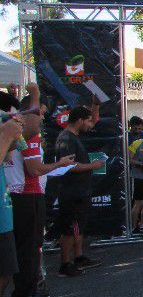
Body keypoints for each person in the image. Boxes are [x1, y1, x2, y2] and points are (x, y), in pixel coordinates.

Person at [6, 92, 74, 297]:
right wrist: (59, 164)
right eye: (41, 114)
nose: (43, 119)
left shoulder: (15, 134)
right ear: (29, 114)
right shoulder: (26, 135)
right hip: (27, 195)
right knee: (29, 248)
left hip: (22, 195)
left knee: (28, 247)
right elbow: (34, 169)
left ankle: (25, 294)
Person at [54, 105, 104, 277]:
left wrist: (95, 104)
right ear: (80, 120)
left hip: (80, 192)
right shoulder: (66, 139)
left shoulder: (74, 136)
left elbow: (94, 120)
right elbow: (68, 165)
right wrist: (93, 165)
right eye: (89, 121)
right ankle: (65, 264)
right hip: (71, 193)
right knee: (69, 229)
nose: (91, 125)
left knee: (78, 227)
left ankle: (79, 257)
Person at [0, 114, 26, 297]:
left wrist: (12, 136)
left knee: (6, 273)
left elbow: (12, 153)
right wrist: (7, 134)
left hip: (4, 215)